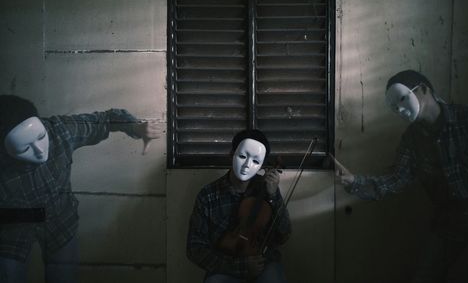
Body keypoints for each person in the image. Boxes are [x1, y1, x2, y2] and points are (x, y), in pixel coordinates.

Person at [335, 70, 468, 282]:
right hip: (449, 222)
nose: (400, 109)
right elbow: (396, 179)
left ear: (424, 89)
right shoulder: (412, 139)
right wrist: (355, 182)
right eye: (394, 107)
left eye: (403, 99)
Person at [0, 94, 161, 283]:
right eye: (25, 148)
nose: (40, 150)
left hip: (61, 223)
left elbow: (106, 119)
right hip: (10, 232)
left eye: (41, 136)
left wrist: (135, 126)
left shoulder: (60, 132)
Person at [187, 129, 291, 283]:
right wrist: (238, 266)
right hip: (225, 266)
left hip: (262, 264)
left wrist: (274, 195)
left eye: (256, 161)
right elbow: (195, 248)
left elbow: (283, 235)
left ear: (262, 165)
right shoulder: (207, 195)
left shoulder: (267, 189)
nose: (247, 165)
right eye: (242, 156)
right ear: (231, 154)